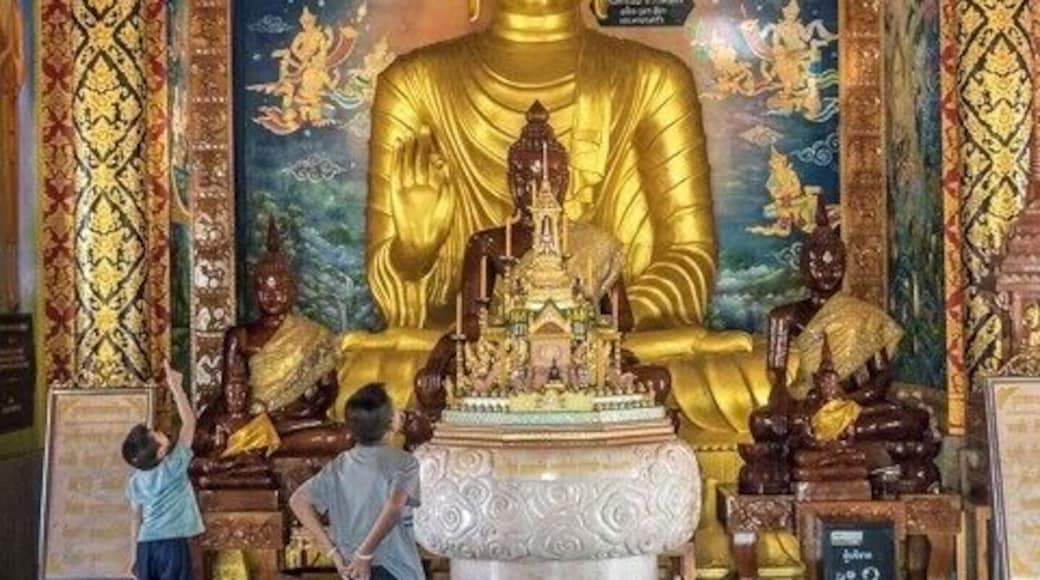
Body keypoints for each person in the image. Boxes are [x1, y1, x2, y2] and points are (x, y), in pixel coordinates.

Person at [290, 384, 423, 580]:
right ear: (390, 422)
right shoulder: (404, 462)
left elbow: (298, 501)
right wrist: (365, 555)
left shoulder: (340, 464)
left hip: (351, 568)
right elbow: (394, 506)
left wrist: (333, 553)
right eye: (394, 408)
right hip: (394, 568)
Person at [122, 363, 204, 580]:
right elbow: (189, 423)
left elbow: (135, 519)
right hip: (172, 544)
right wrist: (176, 386)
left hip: (146, 545)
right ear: (159, 452)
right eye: (155, 434)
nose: (158, 430)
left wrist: (134, 558)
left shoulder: (135, 481)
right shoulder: (172, 467)